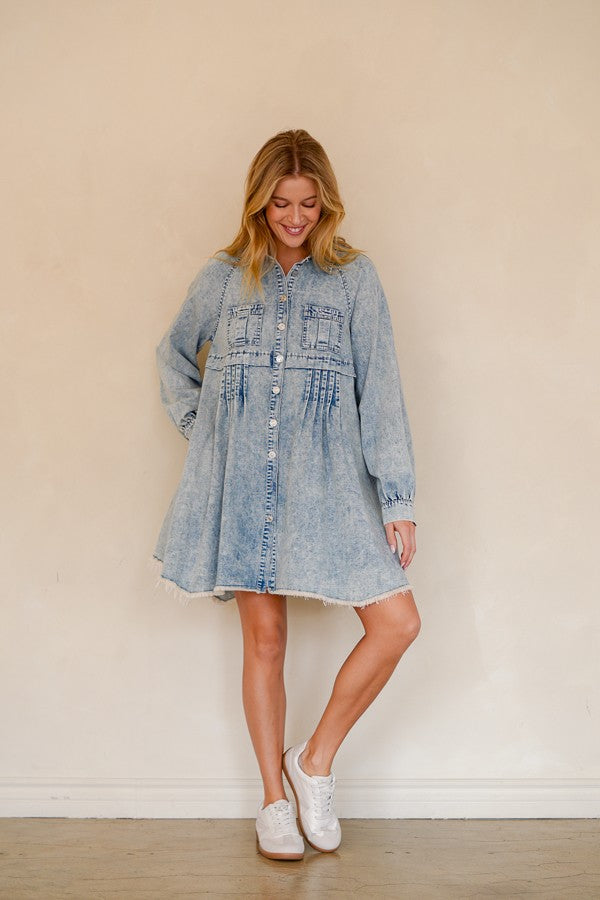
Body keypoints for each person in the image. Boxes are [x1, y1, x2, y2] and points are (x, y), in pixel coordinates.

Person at [150, 129, 421, 860]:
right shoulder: (223, 277)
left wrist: (397, 499)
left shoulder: (354, 279)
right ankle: (273, 799)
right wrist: (209, 434)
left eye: (308, 203)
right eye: (280, 203)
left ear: (326, 203)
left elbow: (382, 391)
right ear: (258, 204)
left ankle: (313, 762)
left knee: (397, 623)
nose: (295, 218)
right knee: (265, 642)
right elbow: (173, 357)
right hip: (246, 487)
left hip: (332, 488)